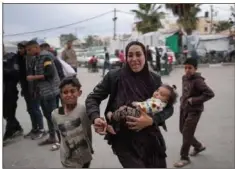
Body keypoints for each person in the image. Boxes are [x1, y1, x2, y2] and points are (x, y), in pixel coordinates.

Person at [85, 41, 174, 168]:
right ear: (125, 57)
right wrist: (96, 117)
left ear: (145, 56)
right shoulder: (114, 77)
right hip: (123, 141)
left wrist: (151, 120)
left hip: (150, 139)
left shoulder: (154, 79)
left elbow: (169, 108)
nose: (134, 59)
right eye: (130, 55)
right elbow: (93, 98)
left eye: (138, 55)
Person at [174, 58, 215, 168]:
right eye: (185, 68)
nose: (187, 70)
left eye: (190, 68)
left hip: (194, 111)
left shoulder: (198, 81)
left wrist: (194, 100)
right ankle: (198, 146)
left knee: (187, 133)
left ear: (195, 69)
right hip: (184, 108)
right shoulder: (184, 78)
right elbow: (186, 91)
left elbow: (210, 94)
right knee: (182, 130)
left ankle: (184, 157)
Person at [52, 76, 93, 168]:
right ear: (61, 95)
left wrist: (90, 149)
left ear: (79, 92)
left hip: (85, 156)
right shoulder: (55, 114)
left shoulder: (83, 111)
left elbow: (88, 132)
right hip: (67, 159)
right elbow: (59, 134)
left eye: (72, 91)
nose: (69, 95)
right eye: (65, 92)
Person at [25, 40, 60, 146]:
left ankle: (61, 141)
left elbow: (50, 73)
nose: (28, 52)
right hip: (43, 93)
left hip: (51, 92)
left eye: (29, 50)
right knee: (47, 115)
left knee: (54, 117)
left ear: (36, 47)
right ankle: (52, 137)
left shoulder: (46, 57)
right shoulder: (36, 59)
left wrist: (33, 77)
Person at [107, 84, 177, 133]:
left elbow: (147, 106)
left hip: (141, 115)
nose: (157, 93)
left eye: (161, 94)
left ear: (166, 101)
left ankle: (112, 117)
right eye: (157, 91)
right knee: (124, 111)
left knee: (124, 110)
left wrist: (138, 104)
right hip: (140, 116)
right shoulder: (157, 100)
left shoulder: (158, 103)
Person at [17, 41, 46, 139]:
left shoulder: (32, 58)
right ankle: (34, 128)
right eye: (19, 48)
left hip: (34, 88)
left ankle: (41, 129)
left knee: (35, 109)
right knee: (30, 109)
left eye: (22, 48)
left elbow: (36, 74)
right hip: (26, 88)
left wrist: (35, 88)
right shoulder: (21, 59)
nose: (20, 50)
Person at [3, 45, 24, 145]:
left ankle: (9, 134)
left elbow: (15, 73)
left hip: (10, 92)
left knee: (9, 113)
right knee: (5, 114)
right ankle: (17, 127)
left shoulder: (12, 58)